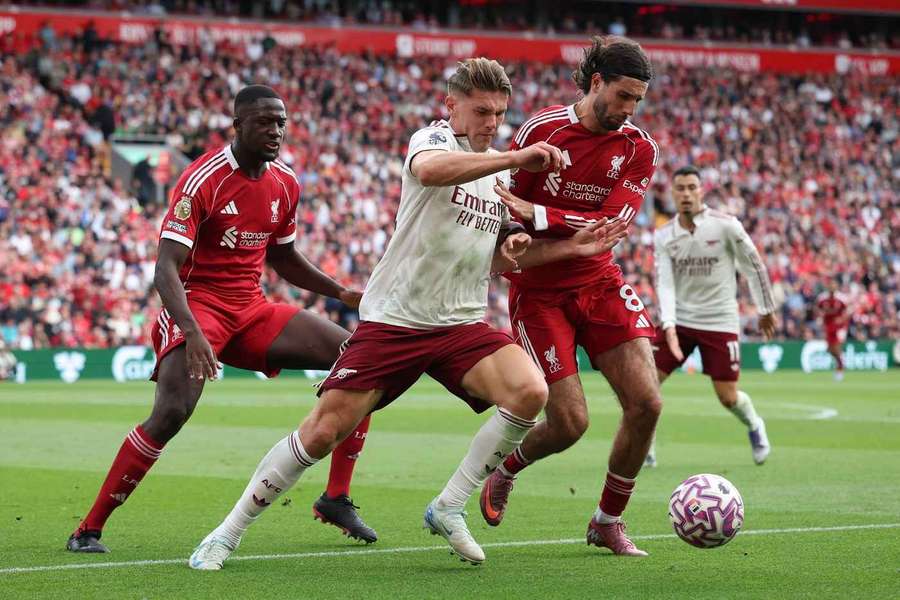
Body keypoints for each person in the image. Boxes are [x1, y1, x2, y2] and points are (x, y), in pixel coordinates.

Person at [187, 58, 627, 570]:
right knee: (322, 433)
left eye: (499, 113)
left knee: (530, 391)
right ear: (451, 106)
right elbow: (431, 172)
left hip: (459, 323)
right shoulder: (432, 141)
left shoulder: (496, 174)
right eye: (481, 111)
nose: (491, 122)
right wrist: (515, 157)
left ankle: (449, 506)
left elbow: (496, 259)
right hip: (396, 321)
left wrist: (568, 247)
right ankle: (226, 533)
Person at [66, 85, 376, 553]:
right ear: (237, 126)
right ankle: (88, 528)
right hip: (197, 307)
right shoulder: (202, 180)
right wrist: (192, 332)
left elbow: (284, 257)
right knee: (171, 413)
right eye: (264, 122)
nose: (275, 131)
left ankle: (336, 497)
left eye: (281, 122)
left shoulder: (285, 182)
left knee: (359, 360)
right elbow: (165, 268)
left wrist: (339, 291)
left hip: (251, 308)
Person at [479, 36, 662, 557]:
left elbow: (611, 226)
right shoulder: (542, 131)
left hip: (599, 281)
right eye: (623, 96)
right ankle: (507, 468)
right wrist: (521, 225)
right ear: (596, 82)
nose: (629, 110)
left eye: (638, 101)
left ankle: (607, 521)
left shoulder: (640, 148)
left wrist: (540, 215)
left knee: (647, 403)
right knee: (570, 424)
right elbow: (506, 206)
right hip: (539, 292)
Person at [646, 165, 776, 467]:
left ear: (702, 191)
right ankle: (644, 446)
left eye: (692, 187)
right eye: (681, 188)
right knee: (644, 386)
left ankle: (755, 424)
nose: (686, 194)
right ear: (672, 193)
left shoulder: (726, 226)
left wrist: (765, 308)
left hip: (719, 320)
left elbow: (753, 265)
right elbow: (664, 283)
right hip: (680, 320)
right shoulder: (664, 235)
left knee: (727, 397)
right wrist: (668, 324)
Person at [816, 279, 850, 382]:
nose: (832, 287)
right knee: (830, 350)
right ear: (828, 286)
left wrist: (842, 319)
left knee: (836, 347)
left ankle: (840, 369)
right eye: (830, 285)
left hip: (839, 327)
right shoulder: (822, 298)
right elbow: (817, 309)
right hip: (828, 326)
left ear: (837, 287)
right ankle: (840, 360)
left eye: (834, 285)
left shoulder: (842, 298)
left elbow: (848, 311)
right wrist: (820, 316)